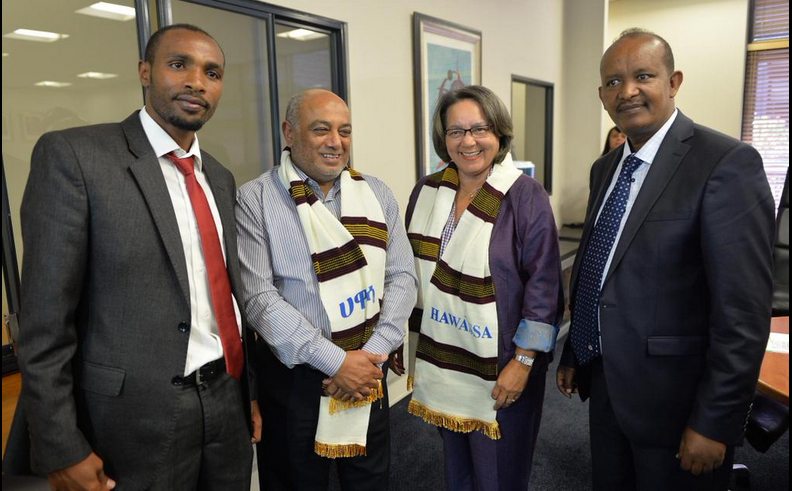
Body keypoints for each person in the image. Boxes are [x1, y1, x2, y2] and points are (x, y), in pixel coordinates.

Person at [3, 24, 262, 491]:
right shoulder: (77, 157)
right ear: (145, 72)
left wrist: (248, 395)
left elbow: (228, 297)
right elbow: (44, 322)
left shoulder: (220, 177)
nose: (197, 82)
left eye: (212, 73)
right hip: (129, 419)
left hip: (226, 401)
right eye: (179, 65)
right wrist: (61, 444)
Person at [557, 28, 775, 491]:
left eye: (643, 76)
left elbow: (743, 314)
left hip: (679, 405)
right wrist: (576, 350)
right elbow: (600, 265)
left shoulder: (725, 163)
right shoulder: (605, 169)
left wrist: (715, 422)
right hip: (608, 384)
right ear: (601, 95)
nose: (627, 91)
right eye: (613, 82)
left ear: (673, 82)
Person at [236, 88, 417, 490]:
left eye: (344, 131)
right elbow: (259, 300)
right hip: (295, 381)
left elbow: (402, 277)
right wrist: (337, 362)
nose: (336, 142)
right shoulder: (255, 199)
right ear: (289, 132)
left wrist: (370, 356)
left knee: (369, 481)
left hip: (369, 370)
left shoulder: (377, 193)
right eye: (321, 130)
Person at [402, 85, 564, 490]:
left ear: (499, 133)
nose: (468, 141)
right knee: (457, 471)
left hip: (503, 364)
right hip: (442, 359)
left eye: (480, 129)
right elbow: (408, 272)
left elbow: (544, 286)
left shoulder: (525, 195)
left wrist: (523, 362)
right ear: (443, 137)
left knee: (498, 476)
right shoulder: (427, 191)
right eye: (456, 131)